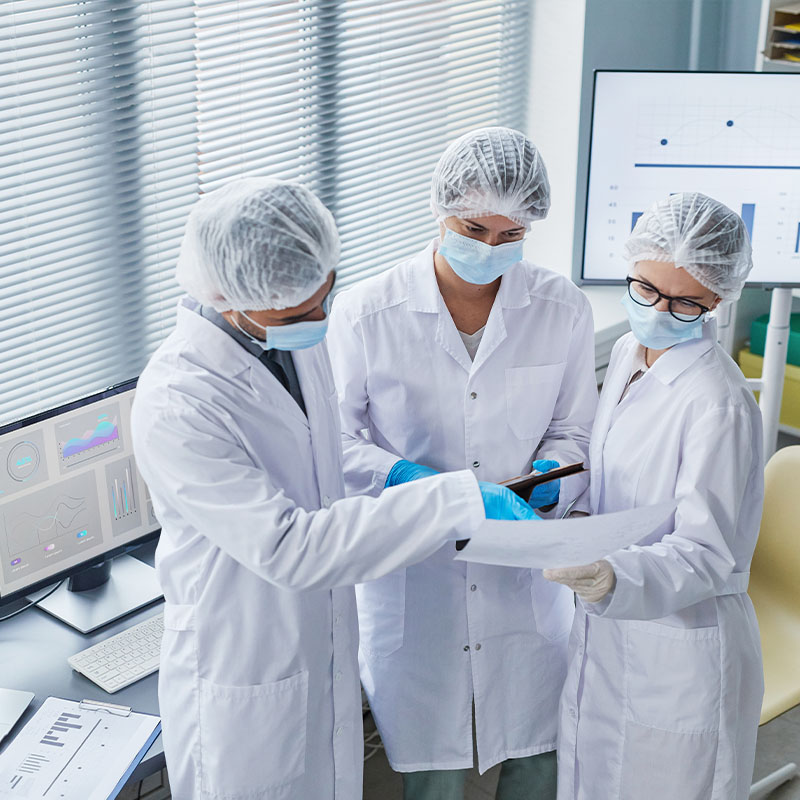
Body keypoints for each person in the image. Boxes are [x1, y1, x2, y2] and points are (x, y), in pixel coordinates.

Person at [130, 177, 537, 800]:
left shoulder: (290, 342)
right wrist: (456, 498)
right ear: (226, 296)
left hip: (321, 639)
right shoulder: (179, 401)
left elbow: (326, 469)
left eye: (325, 295)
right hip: (245, 660)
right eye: (298, 314)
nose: (320, 319)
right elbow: (290, 548)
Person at [327, 127, 599, 800]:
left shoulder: (560, 307)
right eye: (474, 229)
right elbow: (334, 443)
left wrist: (545, 482)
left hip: (523, 578)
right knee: (435, 774)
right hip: (417, 573)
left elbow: (573, 430)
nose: (489, 248)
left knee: (539, 758)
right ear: (439, 209)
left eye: (511, 235)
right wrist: (409, 480)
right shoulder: (367, 313)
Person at [545, 192, 764, 800]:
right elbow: (616, 466)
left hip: (681, 645)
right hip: (610, 631)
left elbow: (707, 553)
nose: (659, 311)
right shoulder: (627, 351)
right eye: (645, 289)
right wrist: (560, 490)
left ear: (717, 299)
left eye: (685, 302)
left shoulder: (717, 403)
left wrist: (614, 576)